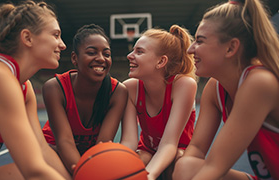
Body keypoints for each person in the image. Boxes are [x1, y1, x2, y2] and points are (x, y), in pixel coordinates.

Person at [0, 1, 72, 179]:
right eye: (56, 35)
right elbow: (34, 169)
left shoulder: (23, 87)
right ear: (27, 38)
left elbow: (42, 151)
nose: (63, 45)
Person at [172, 0, 279, 179]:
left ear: (231, 48)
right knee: (186, 166)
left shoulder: (260, 82)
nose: (190, 50)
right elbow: (196, 150)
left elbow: (214, 167)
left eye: (199, 41)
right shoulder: (215, 88)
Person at [41, 24, 128, 176]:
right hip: (55, 151)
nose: (101, 59)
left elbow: (103, 143)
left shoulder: (118, 91)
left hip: (91, 155)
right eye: (91, 52)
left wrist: (89, 171)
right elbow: (64, 142)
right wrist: (84, 173)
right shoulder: (55, 88)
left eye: (106, 54)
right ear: (75, 58)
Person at [120, 25, 197, 180]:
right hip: (147, 149)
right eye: (133, 50)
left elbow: (170, 144)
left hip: (178, 148)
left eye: (139, 51)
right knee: (135, 164)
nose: (129, 55)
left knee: (176, 165)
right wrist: (114, 161)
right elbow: (129, 141)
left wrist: (149, 176)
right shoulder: (129, 88)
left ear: (161, 61)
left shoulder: (184, 85)